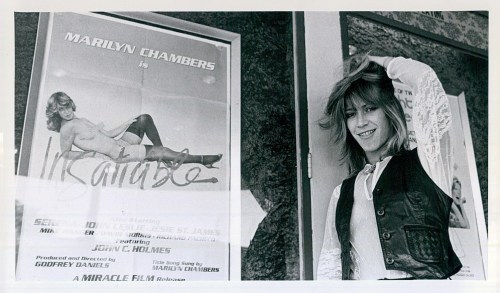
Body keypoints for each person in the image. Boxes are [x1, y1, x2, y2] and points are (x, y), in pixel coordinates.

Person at [316, 54, 462, 280]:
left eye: (370, 108)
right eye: (351, 114)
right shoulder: (341, 194)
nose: (361, 122)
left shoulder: (427, 164)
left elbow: (426, 80)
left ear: (389, 110)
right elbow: (330, 269)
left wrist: (378, 60)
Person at [45, 92, 222, 168]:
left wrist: (127, 123)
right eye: (61, 109)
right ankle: (201, 160)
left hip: (120, 144)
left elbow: (108, 134)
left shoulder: (80, 120)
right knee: (162, 151)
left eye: (67, 106)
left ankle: (163, 158)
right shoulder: (67, 129)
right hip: (119, 155)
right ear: (55, 111)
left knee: (144, 118)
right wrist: (91, 155)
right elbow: (66, 154)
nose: (66, 112)